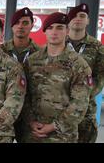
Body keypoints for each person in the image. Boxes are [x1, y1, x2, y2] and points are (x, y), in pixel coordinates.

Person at [23, 12, 92, 143]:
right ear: (45, 32)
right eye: (50, 28)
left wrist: (53, 126)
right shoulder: (32, 61)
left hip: (62, 136)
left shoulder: (78, 65)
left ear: (67, 31)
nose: (54, 32)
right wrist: (31, 121)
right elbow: (23, 95)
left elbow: (79, 103)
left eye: (59, 27)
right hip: (33, 134)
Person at [0, 7, 40, 142]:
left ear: (32, 25)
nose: (20, 26)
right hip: (5, 110)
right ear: (11, 26)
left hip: (31, 114)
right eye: (17, 23)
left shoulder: (40, 54)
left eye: (25, 23)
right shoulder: (1, 52)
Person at [66, 3, 104, 143]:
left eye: (82, 16)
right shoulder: (57, 43)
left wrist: (81, 97)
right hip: (59, 110)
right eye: (74, 16)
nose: (78, 19)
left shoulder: (97, 47)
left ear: (88, 20)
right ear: (68, 21)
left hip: (85, 112)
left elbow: (100, 77)